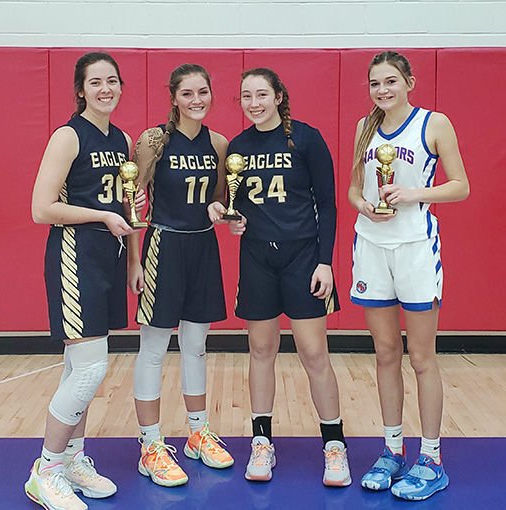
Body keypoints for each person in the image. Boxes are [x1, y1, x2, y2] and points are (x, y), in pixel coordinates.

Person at [348, 50, 470, 501]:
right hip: (372, 246)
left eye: (391, 81)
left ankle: (432, 458)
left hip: (416, 247)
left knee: (421, 357)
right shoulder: (364, 128)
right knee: (384, 353)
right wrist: (365, 207)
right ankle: (392, 449)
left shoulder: (433, 123)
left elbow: (461, 185)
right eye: (375, 83)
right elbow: (354, 188)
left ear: (409, 81)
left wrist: (414, 194)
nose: (382, 90)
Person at [26, 52, 143, 510]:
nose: (105, 89)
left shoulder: (122, 139)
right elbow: (41, 209)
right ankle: (46, 470)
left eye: (112, 81)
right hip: (75, 255)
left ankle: (74, 458)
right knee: (92, 366)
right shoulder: (68, 136)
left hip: (110, 256)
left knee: (81, 370)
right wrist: (102, 215)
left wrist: (133, 260)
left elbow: (129, 209)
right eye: (95, 82)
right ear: (81, 90)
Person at [226, 68, 350, 486]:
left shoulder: (308, 138)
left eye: (262, 94)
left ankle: (335, 445)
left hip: (303, 259)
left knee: (314, 353)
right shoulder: (238, 147)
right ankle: (262, 442)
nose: (254, 102)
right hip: (257, 259)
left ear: (279, 95)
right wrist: (235, 221)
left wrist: (325, 262)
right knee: (261, 351)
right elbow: (234, 204)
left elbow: (328, 205)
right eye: (246, 96)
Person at [128, 63, 234, 488]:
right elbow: (133, 206)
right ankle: (150, 444)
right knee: (153, 346)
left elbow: (222, 199)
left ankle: (197, 431)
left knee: (196, 345)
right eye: (187, 93)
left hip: (203, 246)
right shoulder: (153, 141)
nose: (196, 100)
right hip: (163, 246)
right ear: (173, 97)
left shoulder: (220, 143)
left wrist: (221, 210)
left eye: (203, 92)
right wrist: (135, 262)